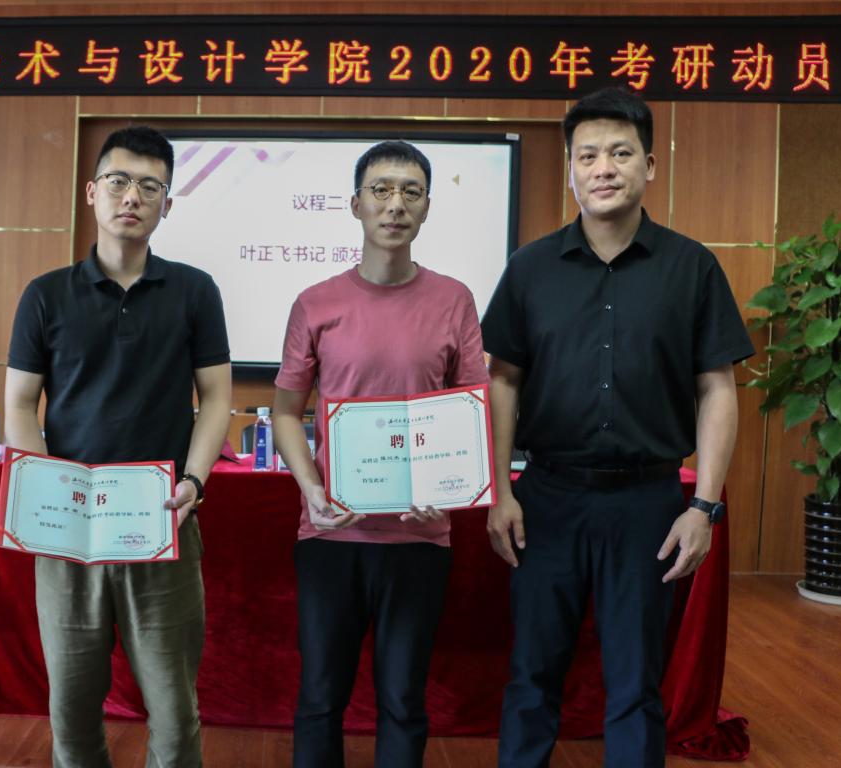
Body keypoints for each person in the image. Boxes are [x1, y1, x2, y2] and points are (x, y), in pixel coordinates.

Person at [482, 86, 755, 768]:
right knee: (531, 675)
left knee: (635, 685)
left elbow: (717, 389)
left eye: (620, 153)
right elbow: (502, 381)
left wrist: (703, 506)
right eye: (587, 155)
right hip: (547, 499)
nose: (603, 168)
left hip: (647, 504)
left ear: (649, 165)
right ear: (570, 169)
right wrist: (501, 492)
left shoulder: (691, 267)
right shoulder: (530, 268)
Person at [4, 125, 231, 768]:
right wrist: (45, 487)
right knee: (73, 713)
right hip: (69, 531)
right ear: (92, 191)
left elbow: (216, 397)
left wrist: (195, 482)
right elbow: (19, 404)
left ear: (167, 204)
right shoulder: (46, 294)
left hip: (162, 521)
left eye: (150, 186)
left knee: (175, 711)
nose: (133, 196)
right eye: (120, 181)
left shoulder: (195, 291)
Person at [272, 140, 489, 768]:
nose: (395, 204)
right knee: (320, 699)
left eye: (411, 192)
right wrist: (312, 489)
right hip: (330, 534)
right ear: (355, 204)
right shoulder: (316, 302)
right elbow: (285, 413)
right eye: (381, 190)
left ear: (427, 208)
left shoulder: (454, 299)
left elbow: (471, 411)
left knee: (403, 701)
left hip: (420, 537)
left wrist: (450, 487)